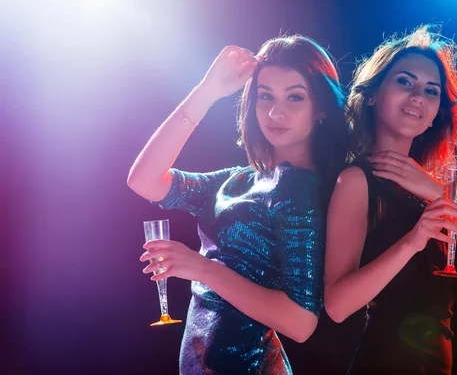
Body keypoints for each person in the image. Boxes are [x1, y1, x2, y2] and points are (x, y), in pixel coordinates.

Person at [127, 34, 350, 374]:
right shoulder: (240, 179)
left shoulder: (300, 190)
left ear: (320, 108)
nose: (276, 112)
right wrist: (208, 90)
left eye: (295, 97)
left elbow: (301, 322)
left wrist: (201, 269)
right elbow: (144, 180)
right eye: (265, 96)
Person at [320, 24, 457, 374]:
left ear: (435, 115)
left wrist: (436, 192)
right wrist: (413, 241)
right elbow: (337, 305)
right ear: (373, 94)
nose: (418, 97)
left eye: (431, 91)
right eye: (404, 82)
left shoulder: (431, 191)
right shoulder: (356, 180)